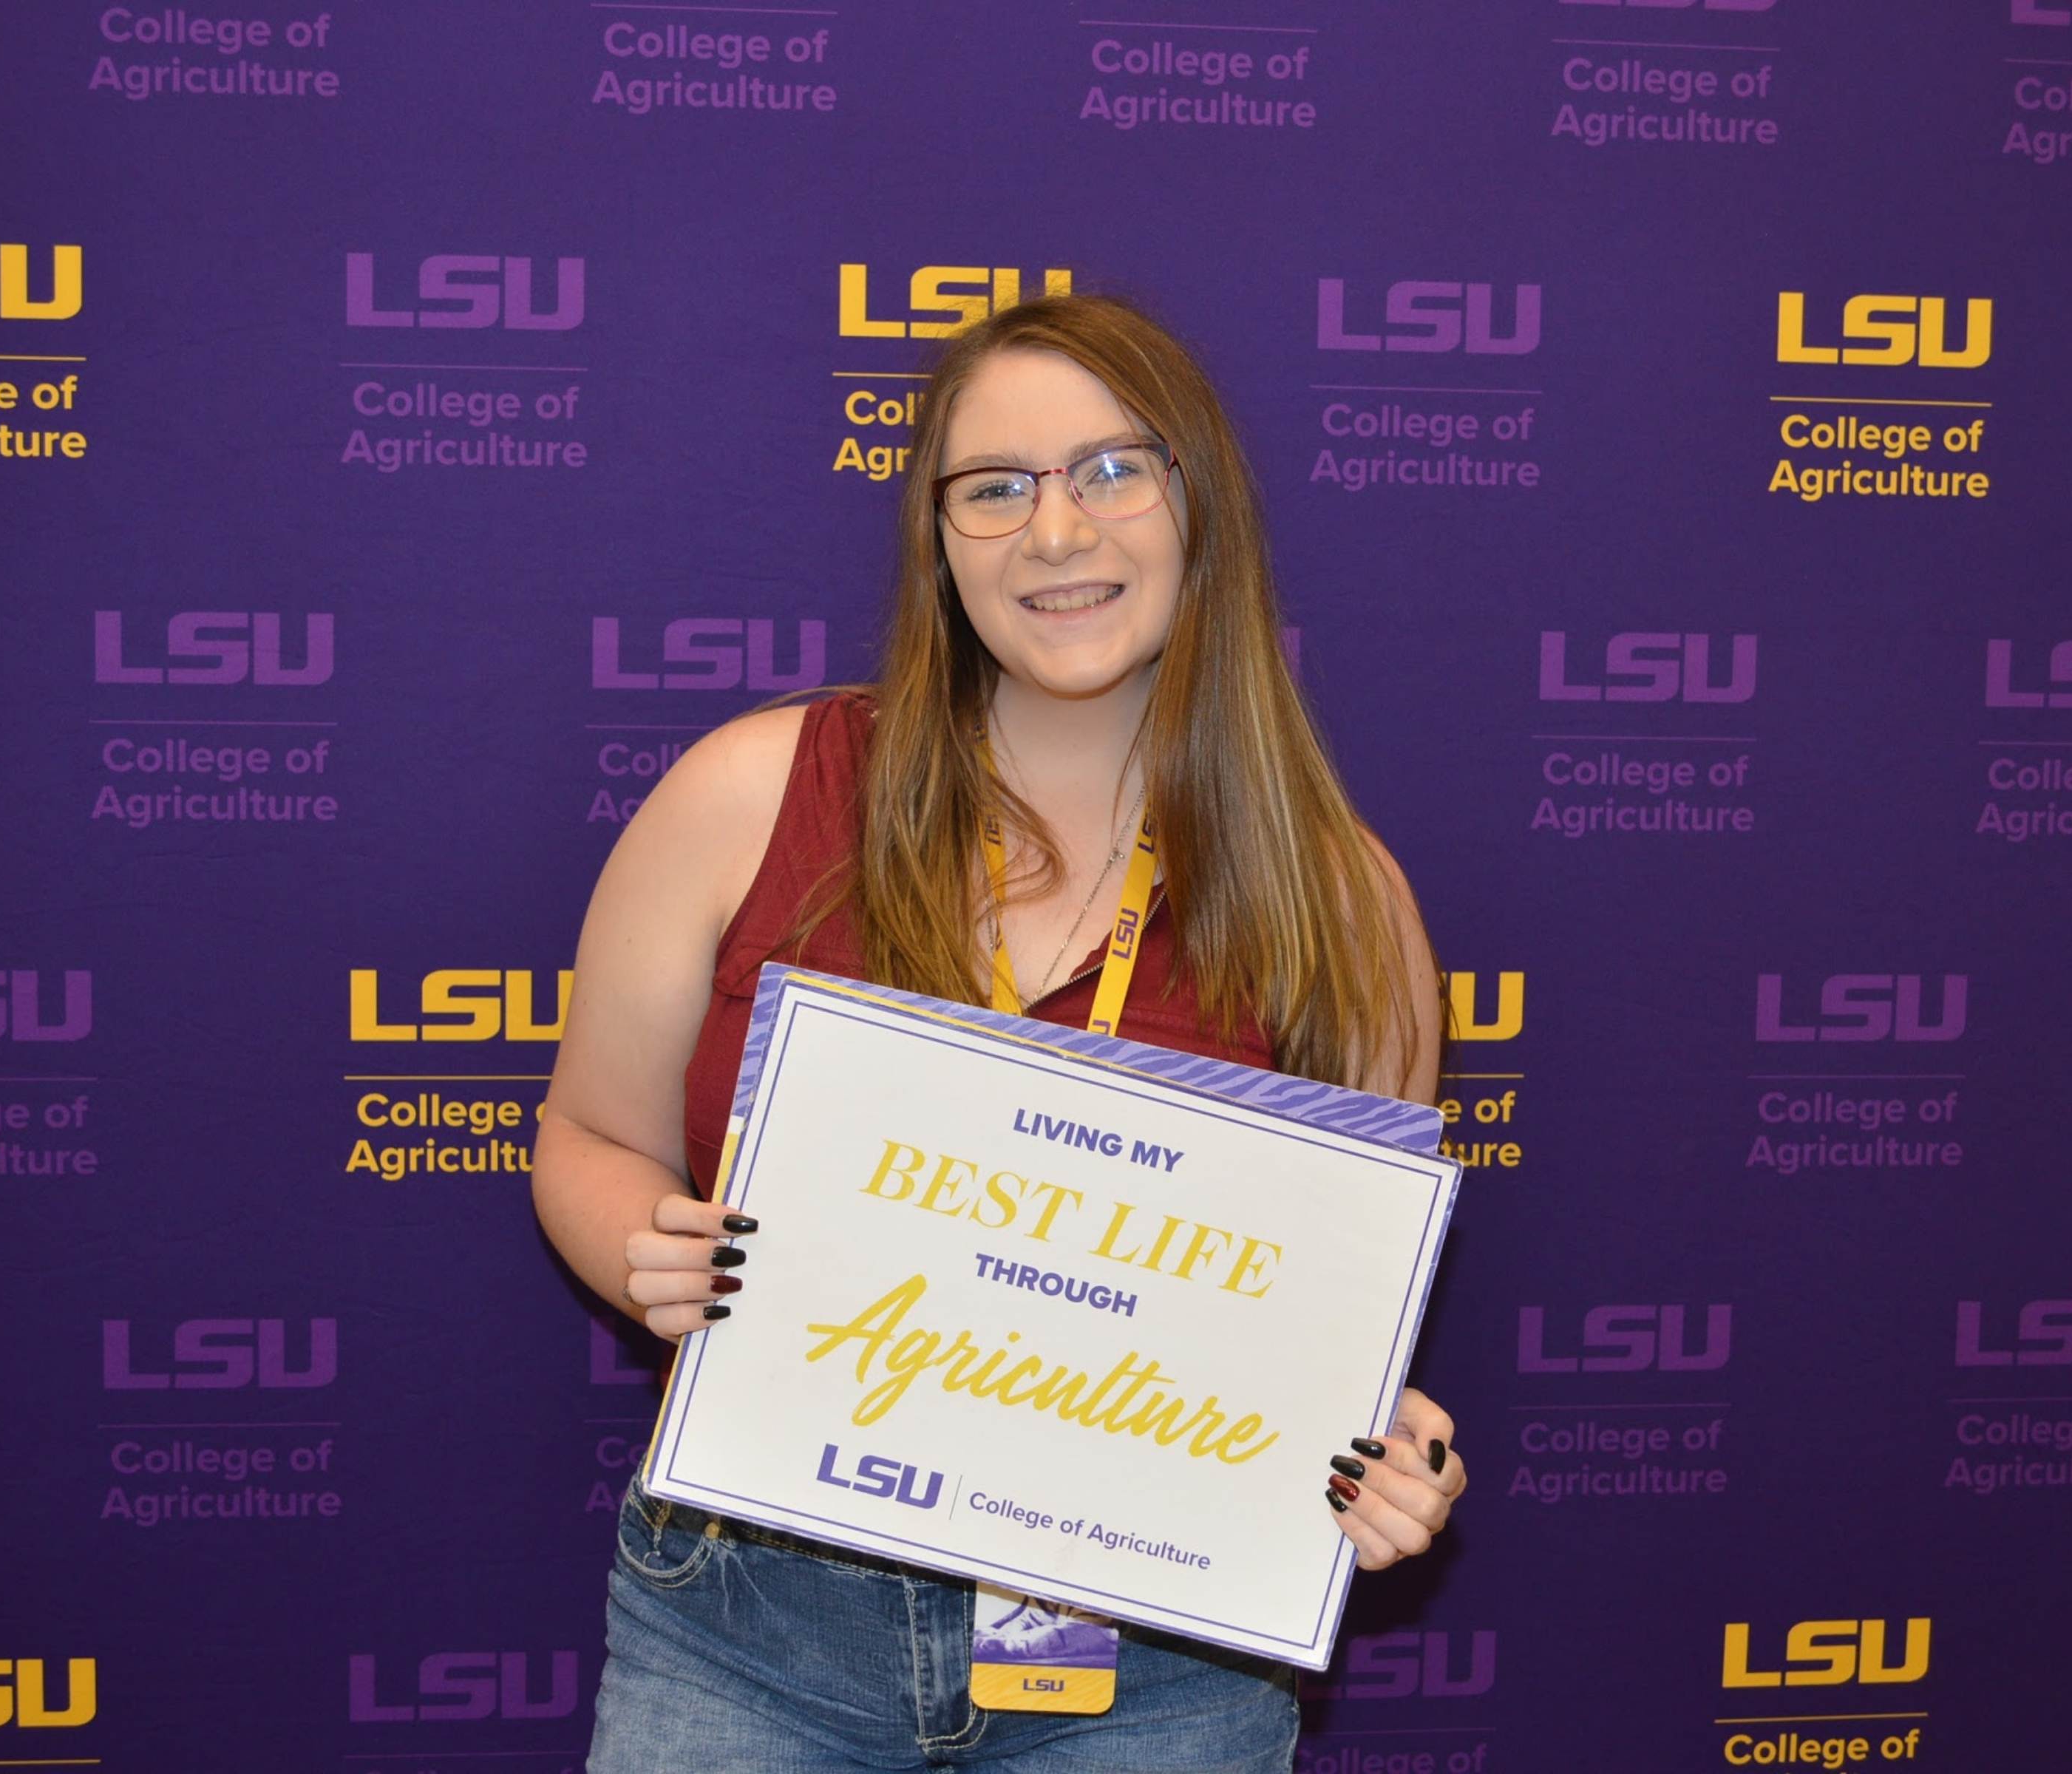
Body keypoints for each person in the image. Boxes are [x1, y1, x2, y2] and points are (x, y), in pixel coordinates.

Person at [532, 293, 1469, 1772]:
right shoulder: (746, 793)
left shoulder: (1342, 902)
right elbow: (589, 1134)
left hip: (1160, 1669)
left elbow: (1331, 1335)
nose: (1055, 533)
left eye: (1113, 469)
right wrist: (646, 1246)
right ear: (939, 535)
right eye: (997, 487)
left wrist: (1375, 1454)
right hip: (750, 1626)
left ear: (1199, 505)